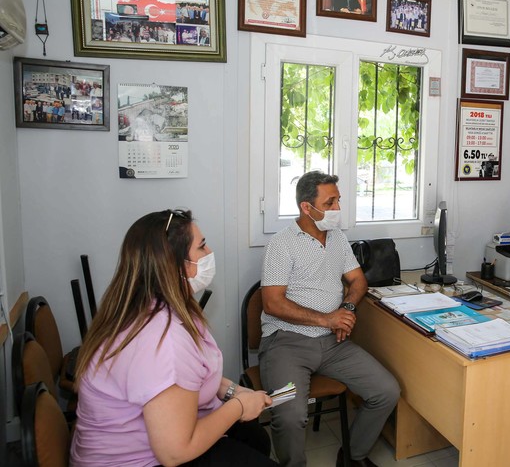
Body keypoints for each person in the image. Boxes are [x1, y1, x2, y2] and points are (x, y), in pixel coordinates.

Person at [71, 209, 278, 467]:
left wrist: (234, 391)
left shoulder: (146, 305)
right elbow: (175, 453)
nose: (209, 252)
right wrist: (238, 406)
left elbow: (190, 376)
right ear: (176, 265)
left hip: (150, 440)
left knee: (254, 438)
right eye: (201, 247)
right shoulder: (162, 340)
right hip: (140, 460)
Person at [259, 171, 400, 467]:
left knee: (387, 391)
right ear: (307, 208)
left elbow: (358, 281)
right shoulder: (282, 244)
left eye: (338, 201)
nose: (337, 208)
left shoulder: (337, 238)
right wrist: (327, 319)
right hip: (286, 343)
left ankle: (352, 456)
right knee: (289, 414)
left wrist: (347, 309)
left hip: (333, 344)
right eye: (331, 202)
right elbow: (271, 303)